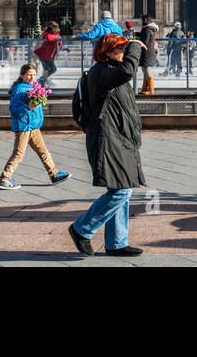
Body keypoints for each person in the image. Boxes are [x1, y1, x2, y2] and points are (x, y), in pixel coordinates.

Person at [68, 33, 146, 257]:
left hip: (119, 138)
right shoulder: (102, 73)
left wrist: (144, 39)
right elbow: (128, 71)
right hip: (107, 139)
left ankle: (116, 242)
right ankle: (82, 229)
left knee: (121, 188)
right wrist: (132, 47)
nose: (124, 54)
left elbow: (131, 68)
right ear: (109, 52)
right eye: (120, 49)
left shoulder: (111, 71)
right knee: (121, 190)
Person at [0, 63, 71, 190]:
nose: (32, 77)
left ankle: (54, 174)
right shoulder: (20, 89)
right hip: (24, 127)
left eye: (34, 75)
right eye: (29, 75)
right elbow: (14, 110)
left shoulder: (32, 87)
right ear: (22, 76)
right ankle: (5, 178)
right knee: (18, 154)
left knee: (43, 151)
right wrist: (28, 107)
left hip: (33, 127)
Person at [34, 22, 63, 87]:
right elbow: (49, 38)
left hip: (48, 55)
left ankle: (43, 83)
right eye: (56, 28)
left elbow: (59, 44)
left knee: (46, 69)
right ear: (53, 29)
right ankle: (41, 80)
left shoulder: (55, 35)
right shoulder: (47, 34)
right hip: (44, 55)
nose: (58, 29)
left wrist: (61, 44)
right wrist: (58, 37)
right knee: (53, 69)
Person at [137, 19, 160, 94]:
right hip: (148, 53)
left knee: (147, 70)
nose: (140, 22)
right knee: (145, 70)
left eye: (141, 20)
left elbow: (145, 42)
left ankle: (150, 89)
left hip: (147, 53)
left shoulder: (147, 30)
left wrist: (138, 42)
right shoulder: (149, 30)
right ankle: (145, 88)